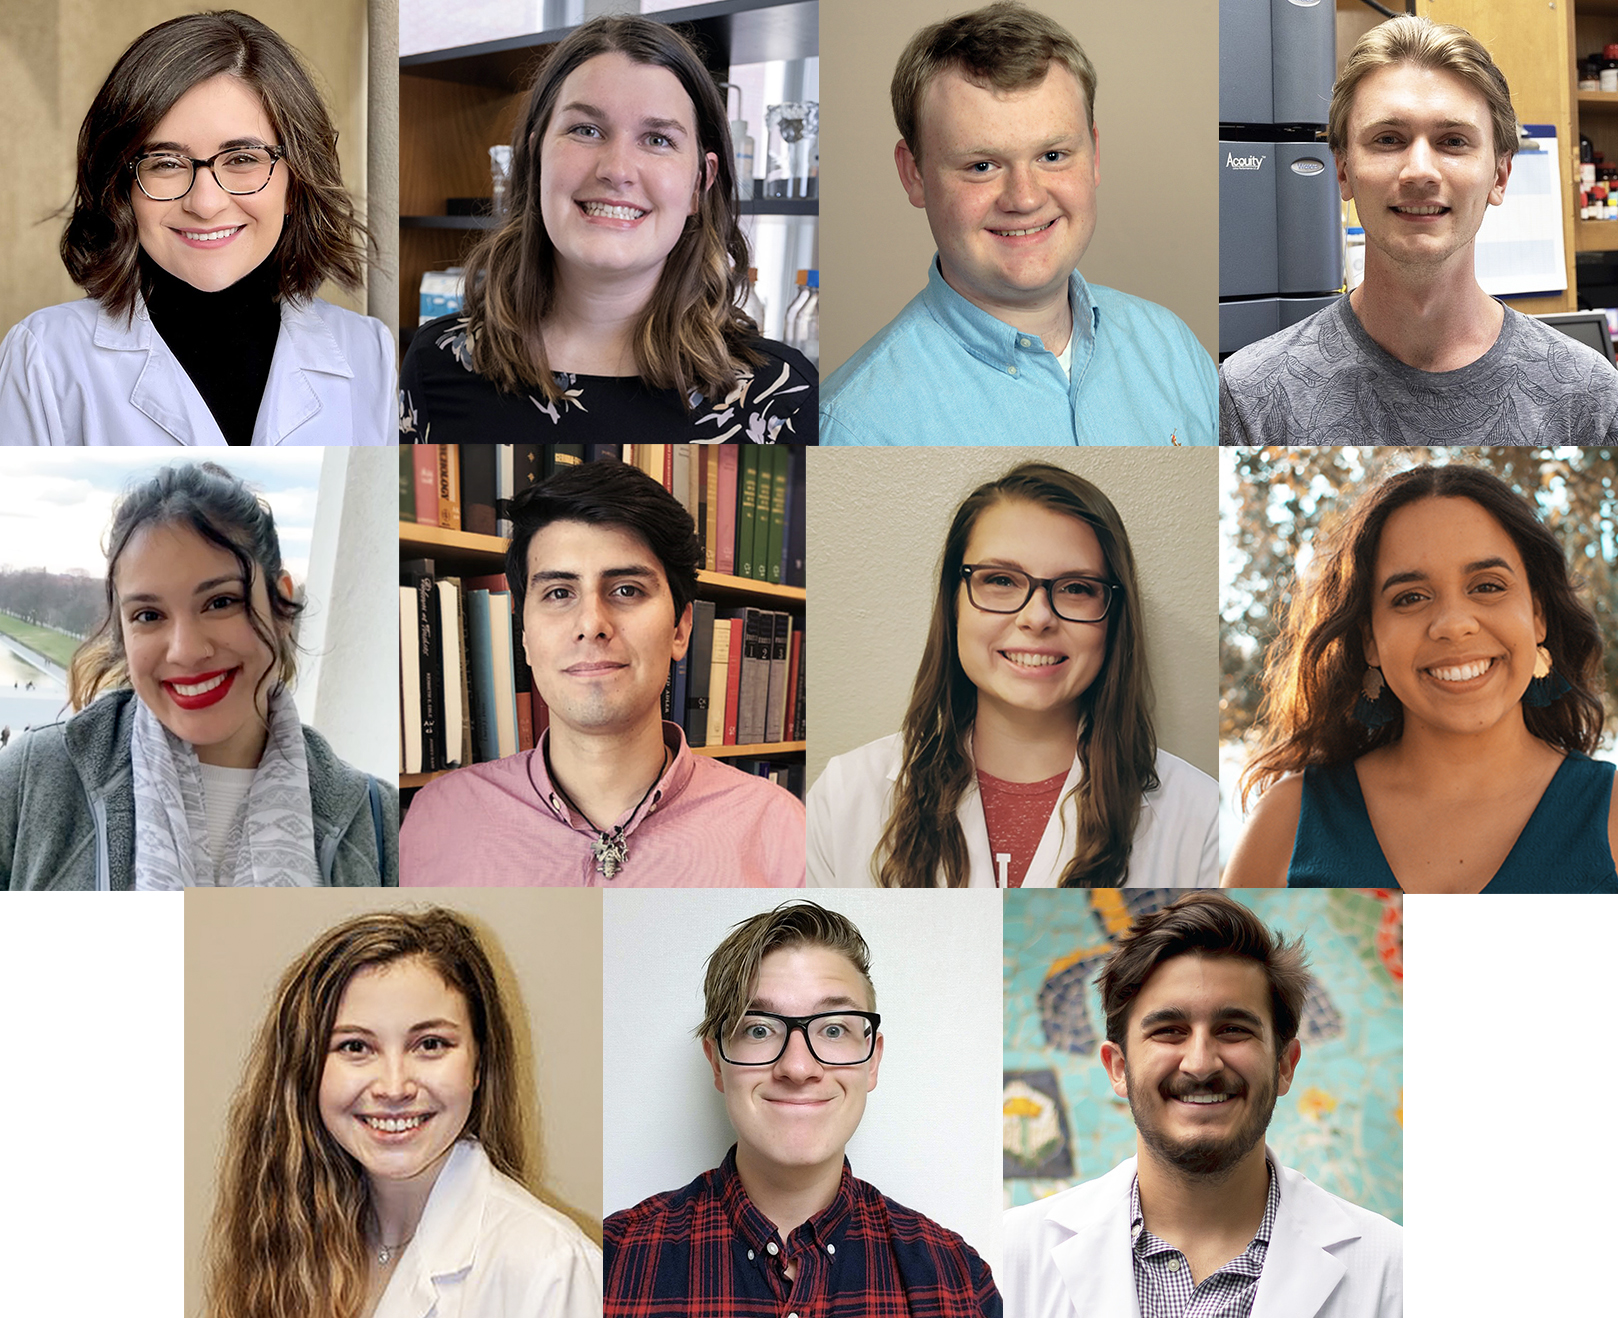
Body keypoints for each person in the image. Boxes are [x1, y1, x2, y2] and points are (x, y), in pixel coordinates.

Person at [398, 14, 816, 444]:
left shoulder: (785, 398)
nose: (617, 170)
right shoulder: (436, 364)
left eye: (657, 139)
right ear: (535, 157)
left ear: (699, 184)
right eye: (586, 130)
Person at [819, 1, 1216, 447]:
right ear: (914, 174)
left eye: (1052, 156)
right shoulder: (855, 427)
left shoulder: (1172, 348)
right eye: (982, 165)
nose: (1025, 198)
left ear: (1094, 154)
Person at [807, 462, 1217, 887]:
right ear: (954, 602)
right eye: (1001, 580)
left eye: (1076, 588)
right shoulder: (843, 796)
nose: (1037, 617)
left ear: (1113, 617)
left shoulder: (1200, 814)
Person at [401, 459, 805, 886]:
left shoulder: (781, 830)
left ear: (680, 629)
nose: (591, 623)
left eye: (627, 590)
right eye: (559, 593)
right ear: (524, 635)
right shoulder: (437, 818)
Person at [1219, 16, 1618, 444]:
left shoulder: (1588, 398)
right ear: (1343, 170)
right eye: (1388, 139)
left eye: (1453, 141)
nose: (1419, 172)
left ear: (1500, 176)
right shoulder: (1251, 398)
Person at [1002, 892, 1402, 1318]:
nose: (1200, 1063)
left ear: (1285, 1065)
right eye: (1170, 1031)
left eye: (1232, 1029)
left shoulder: (1396, 1270)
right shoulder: (1009, 1255)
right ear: (1118, 1067)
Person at [0, 11, 391, 447]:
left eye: (243, 158)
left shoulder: (371, 353)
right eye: (165, 163)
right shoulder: (43, 358)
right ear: (121, 187)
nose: (205, 204)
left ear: (296, 181)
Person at [0, 462, 397, 889]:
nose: (186, 651)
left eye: (221, 602)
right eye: (149, 615)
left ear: (281, 603)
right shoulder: (28, 781)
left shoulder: (379, 821)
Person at [1224, 463, 1617, 891]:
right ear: (1370, 639)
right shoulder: (1287, 822)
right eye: (1410, 597)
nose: (1453, 623)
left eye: (1487, 586)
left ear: (1537, 615)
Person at [605, 899, 1001, 1316]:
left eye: (833, 1028)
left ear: (872, 1061)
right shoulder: (609, 1262)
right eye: (759, 1029)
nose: (798, 1067)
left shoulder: (961, 1282)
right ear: (717, 1063)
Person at [204, 907, 602, 1318]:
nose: (394, 1088)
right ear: (306, 1068)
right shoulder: (286, 1243)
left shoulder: (553, 1270)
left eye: (430, 1044)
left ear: (479, 1064)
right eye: (356, 1047)